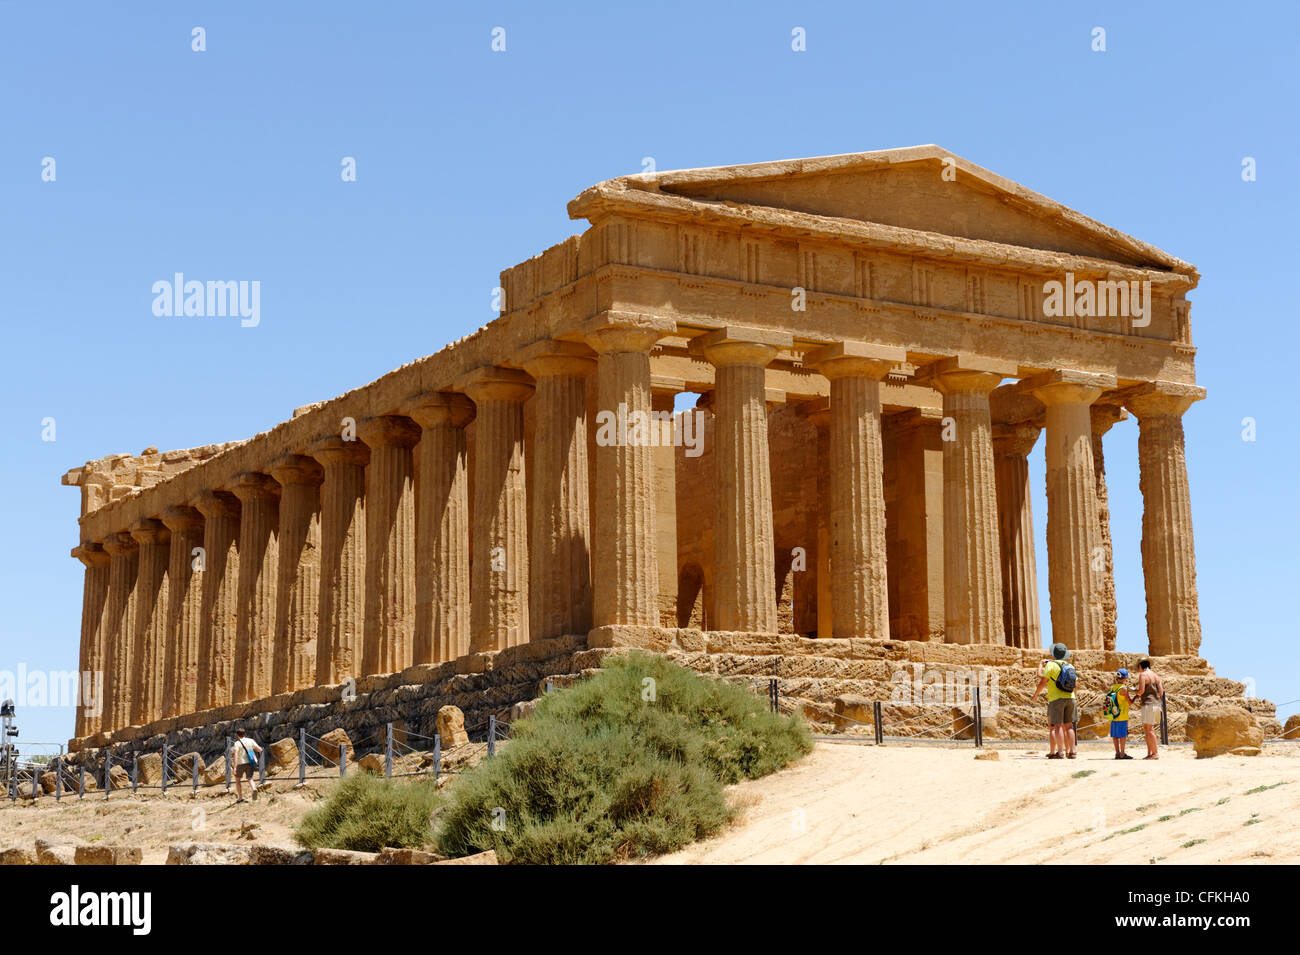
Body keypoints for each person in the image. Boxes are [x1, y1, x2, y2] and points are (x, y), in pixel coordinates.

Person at [1031, 642, 1078, 759]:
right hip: (1071, 698)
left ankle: (1060, 752)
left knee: (1057, 726)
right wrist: (1074, 697)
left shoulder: (1051, 665)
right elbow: (1076, 684)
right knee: (1069, 726)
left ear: (1054, 654)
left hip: (1056, 699)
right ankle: (1072, 752)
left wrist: (1036, 695)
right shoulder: (1070, 666)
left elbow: (1042, 682)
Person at [1135, 659, 1165, 760]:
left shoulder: (1143, 675)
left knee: (1149, 730)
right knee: (1148, 730)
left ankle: (1155, 753)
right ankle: (1150, 753)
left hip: (1148, 704)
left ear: (1140, 666)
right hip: (1157, 704)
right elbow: (1161, 692)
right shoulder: (1156, 676)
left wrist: (1136, 692)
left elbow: (1141, 690)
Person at [1106, 668, 1135, 760]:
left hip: (1114, 715)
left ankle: (1117, 753)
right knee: (1122, 735)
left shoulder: (1113, 687)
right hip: (1122, 715)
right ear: (1125, 678)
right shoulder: (1123, 689)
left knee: (1115, 735)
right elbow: (1129, 702)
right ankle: (1122, 754)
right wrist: (1136, 697)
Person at [231, 727, 263, 802]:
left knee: (238, 780)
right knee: (250, 778)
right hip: (250, 762)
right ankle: (254, 789)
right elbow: (259, 749)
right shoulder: (250, 740)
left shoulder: (237, 743)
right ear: (244, 734)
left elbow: (236, 754)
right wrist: (252, 751)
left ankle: (240, 798)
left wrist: (235, 767)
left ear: (237, 735)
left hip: (240, 763)